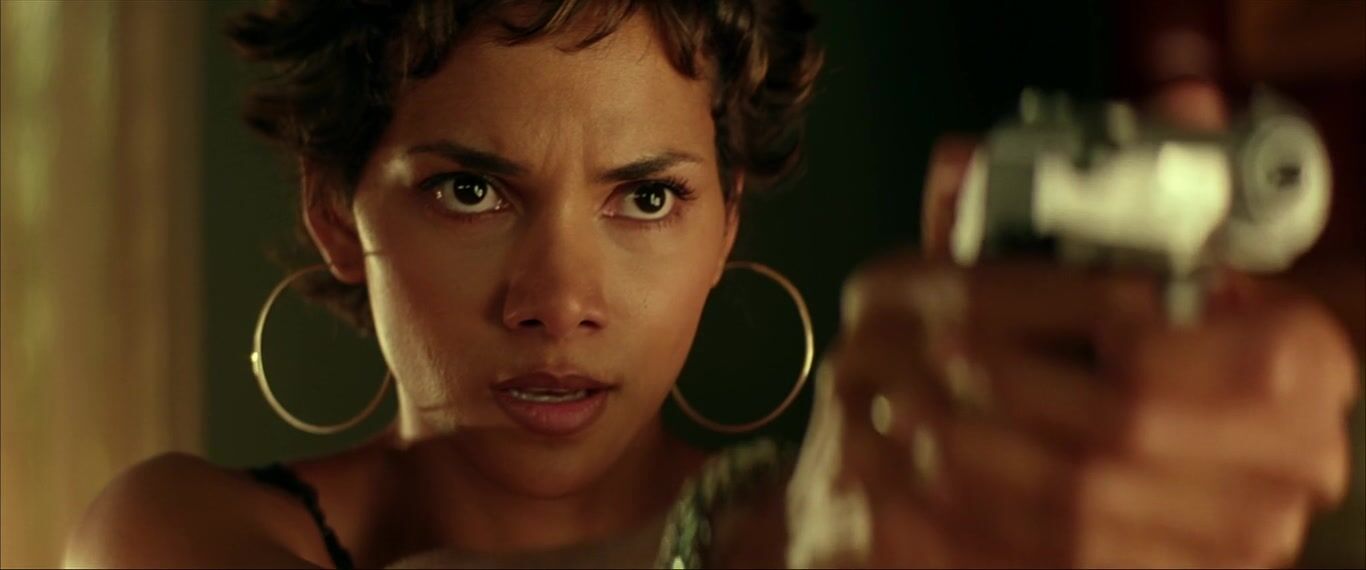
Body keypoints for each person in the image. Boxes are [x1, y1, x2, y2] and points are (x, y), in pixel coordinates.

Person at [64, 1, 1359, 567]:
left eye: (644, 198)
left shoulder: (892, 523)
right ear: (333, 215)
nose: (557, 297)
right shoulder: (171, 533)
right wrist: (771, 546)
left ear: (727, 220)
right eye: (470, 191)